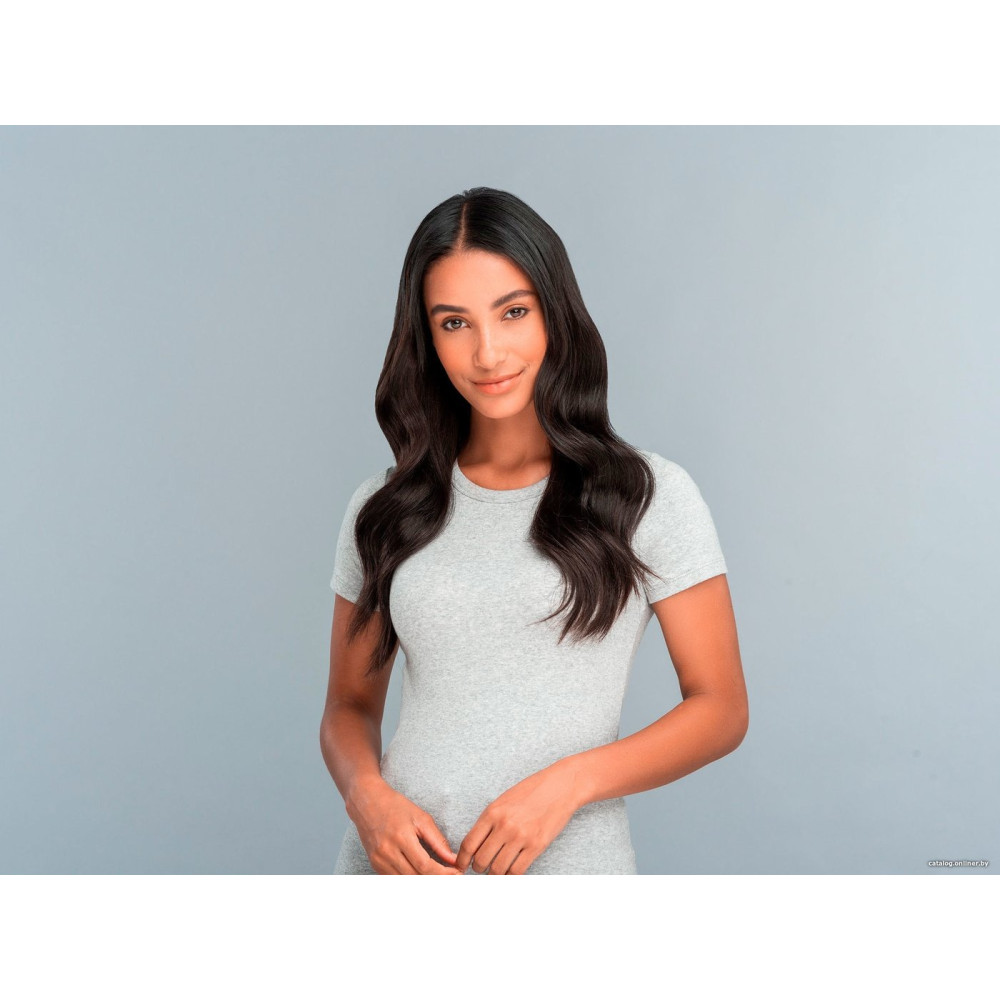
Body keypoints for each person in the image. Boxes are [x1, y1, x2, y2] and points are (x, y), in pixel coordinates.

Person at [320, 186, 748, 874]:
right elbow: (348, 705)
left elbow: (721, 708)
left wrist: (568, 784)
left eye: (513, 312)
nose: (488, 353)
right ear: (428, 339)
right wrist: (366, 798)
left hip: (570, 869)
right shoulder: (384, 506)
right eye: (454, 323)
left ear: (554, 312)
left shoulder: (647, 496)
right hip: (395, 872)